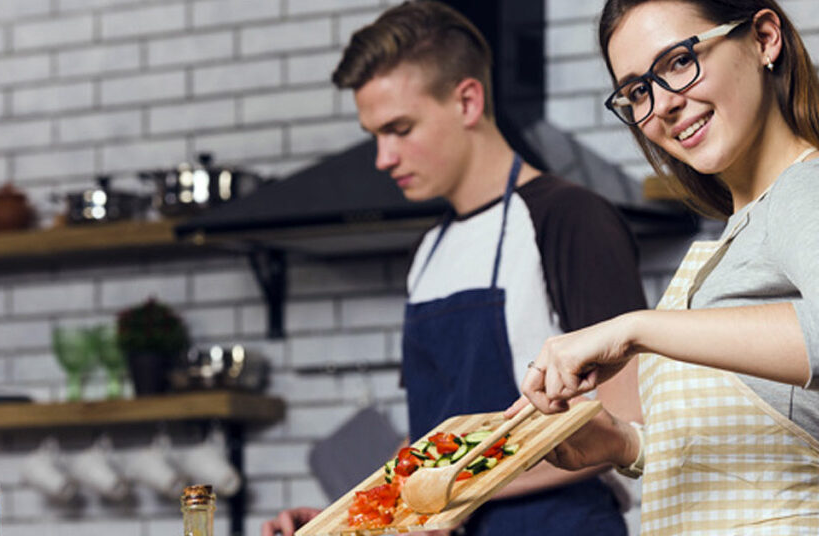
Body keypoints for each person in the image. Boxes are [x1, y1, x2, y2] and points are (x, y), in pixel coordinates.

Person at [509, 0, 819, 534]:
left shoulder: (813, 188)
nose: (662, 105)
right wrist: (625, 443)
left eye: (678, 61)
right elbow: (759, 454)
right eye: (637, 91)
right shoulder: (743, 226)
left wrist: (634, 330)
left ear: (765, 38)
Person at [262, 2, 647, 535]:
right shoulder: (430, 253)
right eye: (375, 134)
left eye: (399, 128)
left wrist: (445, 498)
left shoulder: (568, 219)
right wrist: (356, 513)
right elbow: (432, 446)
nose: (383, 157)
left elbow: (627, 418)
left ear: (468, 100)